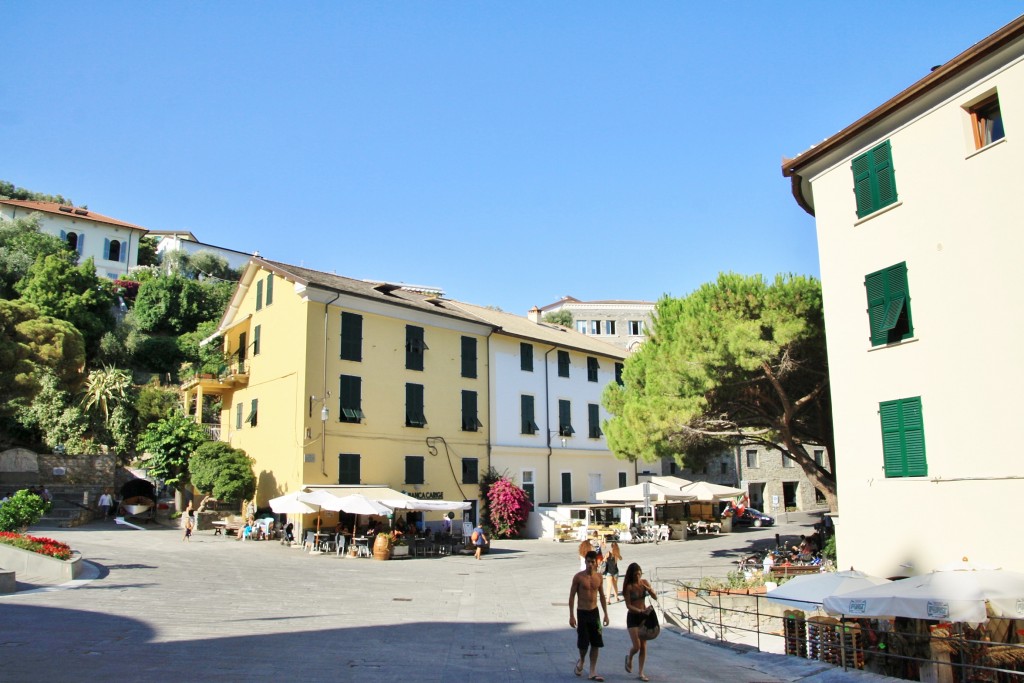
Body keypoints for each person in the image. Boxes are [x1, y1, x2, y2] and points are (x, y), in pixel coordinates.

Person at [569, 550, 609, 681]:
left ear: (596, 563)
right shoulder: (578, 577)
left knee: (596, 643)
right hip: (582, 612)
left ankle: (592, 671)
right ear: (585, 562)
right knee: (583, 644)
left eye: (593, 562)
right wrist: (571, 615)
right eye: (588, 561)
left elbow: (602, 596)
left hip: (594, 612)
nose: (590, 564)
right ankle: (581, 660)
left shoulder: (599, 577)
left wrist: (606, 614)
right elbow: (572, 596)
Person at [623, 562, 657, 682]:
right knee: (636, 646)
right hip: (633, 617)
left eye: (639, 574)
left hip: (644, 617)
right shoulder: (629, 587)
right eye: (635, 574)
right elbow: (628, 605)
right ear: (631, 575)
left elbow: (655, 597)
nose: (638, 576)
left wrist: (649, 589)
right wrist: (640, 611)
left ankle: (641, 672)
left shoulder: (644, 583)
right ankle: (630, 657)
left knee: (643, 646)